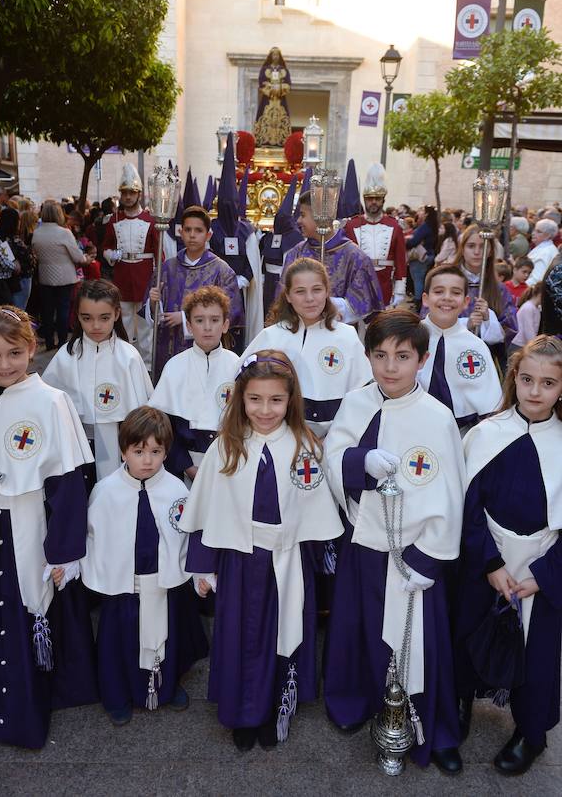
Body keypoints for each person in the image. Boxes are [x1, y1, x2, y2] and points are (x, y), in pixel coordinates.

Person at [322, 309, 466, 774]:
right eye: (380, 355)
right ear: (367, 356)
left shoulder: (437, 417)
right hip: (365, 543)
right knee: (362, 630)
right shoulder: (357, 402)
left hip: (415, 555)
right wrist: (359, 461)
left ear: (421, 360)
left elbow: (451, 493)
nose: (390, 367)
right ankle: (358, 703)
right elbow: (333, 456)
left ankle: (431, 727)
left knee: (418, 644)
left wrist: (430, 558)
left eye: (402, 356)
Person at [180, 350, 343, 751]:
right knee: (240, 636)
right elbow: (206, 512)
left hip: (288, 562)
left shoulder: (304, 445)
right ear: (241, 398)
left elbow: (316, 508)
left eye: (275, 400)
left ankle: (273, 708)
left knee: (282, 633)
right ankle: (242, 712)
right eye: (255, 399)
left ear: (291, 400)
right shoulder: (227, 447)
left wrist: (323, 557)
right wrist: (203, 567)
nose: (265, 409)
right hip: (239, 561)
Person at [0, 306, 95, 748]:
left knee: (26, 607)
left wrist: (64, 552)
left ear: (32, 350)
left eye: (14, 353)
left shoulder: (50, 402)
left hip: (29, 523)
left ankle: (22, 707)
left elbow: (67, 483)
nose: (4, 364)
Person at [454, 336, 562, 775]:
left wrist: (545, 574)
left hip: (543, 564)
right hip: (487, 559)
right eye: (527, 379)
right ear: (513, 378)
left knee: (537, 655)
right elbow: (466, 506)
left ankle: (530, 731)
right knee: (467, 630)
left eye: (549, 383)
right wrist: (491, 564)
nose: (535, 392)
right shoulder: (485, 434)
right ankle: (460, 701)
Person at [80, 406, 208, 725]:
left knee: (169, 638)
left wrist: (196, 576)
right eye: (138, 451)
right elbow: (94, 537)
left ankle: (167, 687)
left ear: (166, 451)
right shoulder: (106, 492)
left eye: (155, 451)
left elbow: (187, 535)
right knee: (118, 645)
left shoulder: (176, 490)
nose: (147, 460)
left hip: (163, 584)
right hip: (123, 587)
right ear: (124, 450)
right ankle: (117, 696)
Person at [244, 258, 372, 437]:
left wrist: (335, 439)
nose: (310, 299)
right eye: (300, 291)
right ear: (288, 295)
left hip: (332, 440)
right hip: (277, 436)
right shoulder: (271, 336)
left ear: (327, 291)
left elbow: (363, 396)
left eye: (317, 290)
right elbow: (242, 385)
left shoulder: (347, 337)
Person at [43, 279, 153, 482]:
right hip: (76, 443)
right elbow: (47, 406)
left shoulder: (128, 356)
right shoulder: (66, 356)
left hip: (120, 444)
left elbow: (143, 412)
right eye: (87, 318)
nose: (95, 326)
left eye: (104, 318)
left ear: (117, 314)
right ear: (77, 316)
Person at [149, 286, 238, 483]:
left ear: (225, 325)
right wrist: (187, 467)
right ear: (189, 326)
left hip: (228, 462)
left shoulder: (236, 365)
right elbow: (165, 426)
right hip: (182, 467)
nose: (207, 327)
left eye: (214, 320)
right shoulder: (175, 366)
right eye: (199, 320)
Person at [147, 205, 243, 376]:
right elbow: (154, 315)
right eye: (188, 229)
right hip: (168, 347)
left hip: (205, 349)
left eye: (198, 230)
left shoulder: (222, 271)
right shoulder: (167, 268)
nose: (192, 235)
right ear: (181, 232)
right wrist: (153, 303)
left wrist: (184, 319)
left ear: (208, 235)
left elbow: (232, 313)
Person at [418, 265, 502, 432]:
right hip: (413, 423)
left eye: (455, 293)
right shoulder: (409, 339)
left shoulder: (475, 347)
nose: (447, 298)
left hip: (461, 431)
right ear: (425, 299)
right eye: (439, 291)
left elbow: (490, 404)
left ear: (466, 302)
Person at [281, 191, 383, 326]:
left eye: (303, 215)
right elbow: (283, 296)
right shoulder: (296, 253)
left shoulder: (355, 256)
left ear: (320, 216)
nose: (298, 220)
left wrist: (326, 305)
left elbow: (361, 303)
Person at [102, 163, 159, 367]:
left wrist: (156, 280)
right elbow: (106, 246)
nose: (127, 197)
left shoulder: (150, 219)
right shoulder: (113, 219)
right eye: (124, 193)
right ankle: (123, 361)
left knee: (145, 324)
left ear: (139, 194)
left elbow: (158, 252)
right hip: (123, 275)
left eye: (131, 193)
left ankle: (147, 364)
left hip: (144, 276)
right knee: (123, 321)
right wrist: (111, 254)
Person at [209, 135, 263, 349]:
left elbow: (253, 265)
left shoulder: (246, 231)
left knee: (237, 333)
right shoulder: (212, 228)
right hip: (215, 289)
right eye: (225, 203)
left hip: (239, 292)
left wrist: (244, 279)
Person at [451, 224, 518, 367]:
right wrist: (465, 324)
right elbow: (429, 320)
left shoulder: (499, 289)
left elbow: (511, 328)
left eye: (483, 246)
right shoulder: (446, 281)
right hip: (449, 355)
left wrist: (489, 319)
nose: (477, 252)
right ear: (462, 249)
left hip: (484, 360)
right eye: (471, 246)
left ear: (490, 251)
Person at [32, 200, 92, 351]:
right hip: (64, 276)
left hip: (45, 275)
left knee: (47, 310)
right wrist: (86, 259)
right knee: (63, 309)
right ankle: (62, 341)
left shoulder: (37, 233)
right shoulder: (64, 233)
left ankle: (49, 340)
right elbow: (78, 256)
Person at [344, 163, 407, 306]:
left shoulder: (395, 226)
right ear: (364, 200)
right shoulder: (350, 225)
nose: (373, 202)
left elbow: (401, 261)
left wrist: (399, 290)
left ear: (383, 200)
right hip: (357, 285)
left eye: (377, 198)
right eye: (370, 198)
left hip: (384, 284)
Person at [259, 176, 303, 318]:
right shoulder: (270, 236)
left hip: (281, 279)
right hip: (268, 280)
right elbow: (263, 259)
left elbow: (289, 263)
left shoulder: (294, 238)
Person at [0, 206, 37, 311]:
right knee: (18, 309)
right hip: (21, 279)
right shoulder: (11, 240)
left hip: (14, 278)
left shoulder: (1, 238)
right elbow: (21, 262)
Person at [253, 47, 292, 147]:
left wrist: (278, 88)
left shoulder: (284, 70)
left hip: (280, 100)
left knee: (281, 119)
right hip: (267, 100)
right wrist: (271, 88)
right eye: (274, 55)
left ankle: (281, 139)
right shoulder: (265, 70)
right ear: (270, 56)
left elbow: (288, 84)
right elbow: (261, 84)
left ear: (280, 56)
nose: (275, 57)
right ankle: (264, 139)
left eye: (277, 54)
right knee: (265, 117)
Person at [405, 205, 439, 309]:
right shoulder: (433, 225)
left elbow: (414, 241)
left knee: (418, 280)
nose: (418, 212)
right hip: (429, 255)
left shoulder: (425, 226)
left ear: (426, 214)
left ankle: (418, 304)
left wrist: (407, 241)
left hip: (421, 257)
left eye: (421, 211)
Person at [509, 283, 543, 352]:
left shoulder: (536, 308)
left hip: (525, 345)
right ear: (540, 294)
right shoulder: (528, 307)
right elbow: (529, 331)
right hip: (518, 345)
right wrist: (535, 347)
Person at [526, 219, 560, 286]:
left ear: (548, 235)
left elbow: (537, 279)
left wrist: (520, 288)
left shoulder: (546, 252)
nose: (533, 233)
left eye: (539, 231)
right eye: (534, 230)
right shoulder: (545, 248)